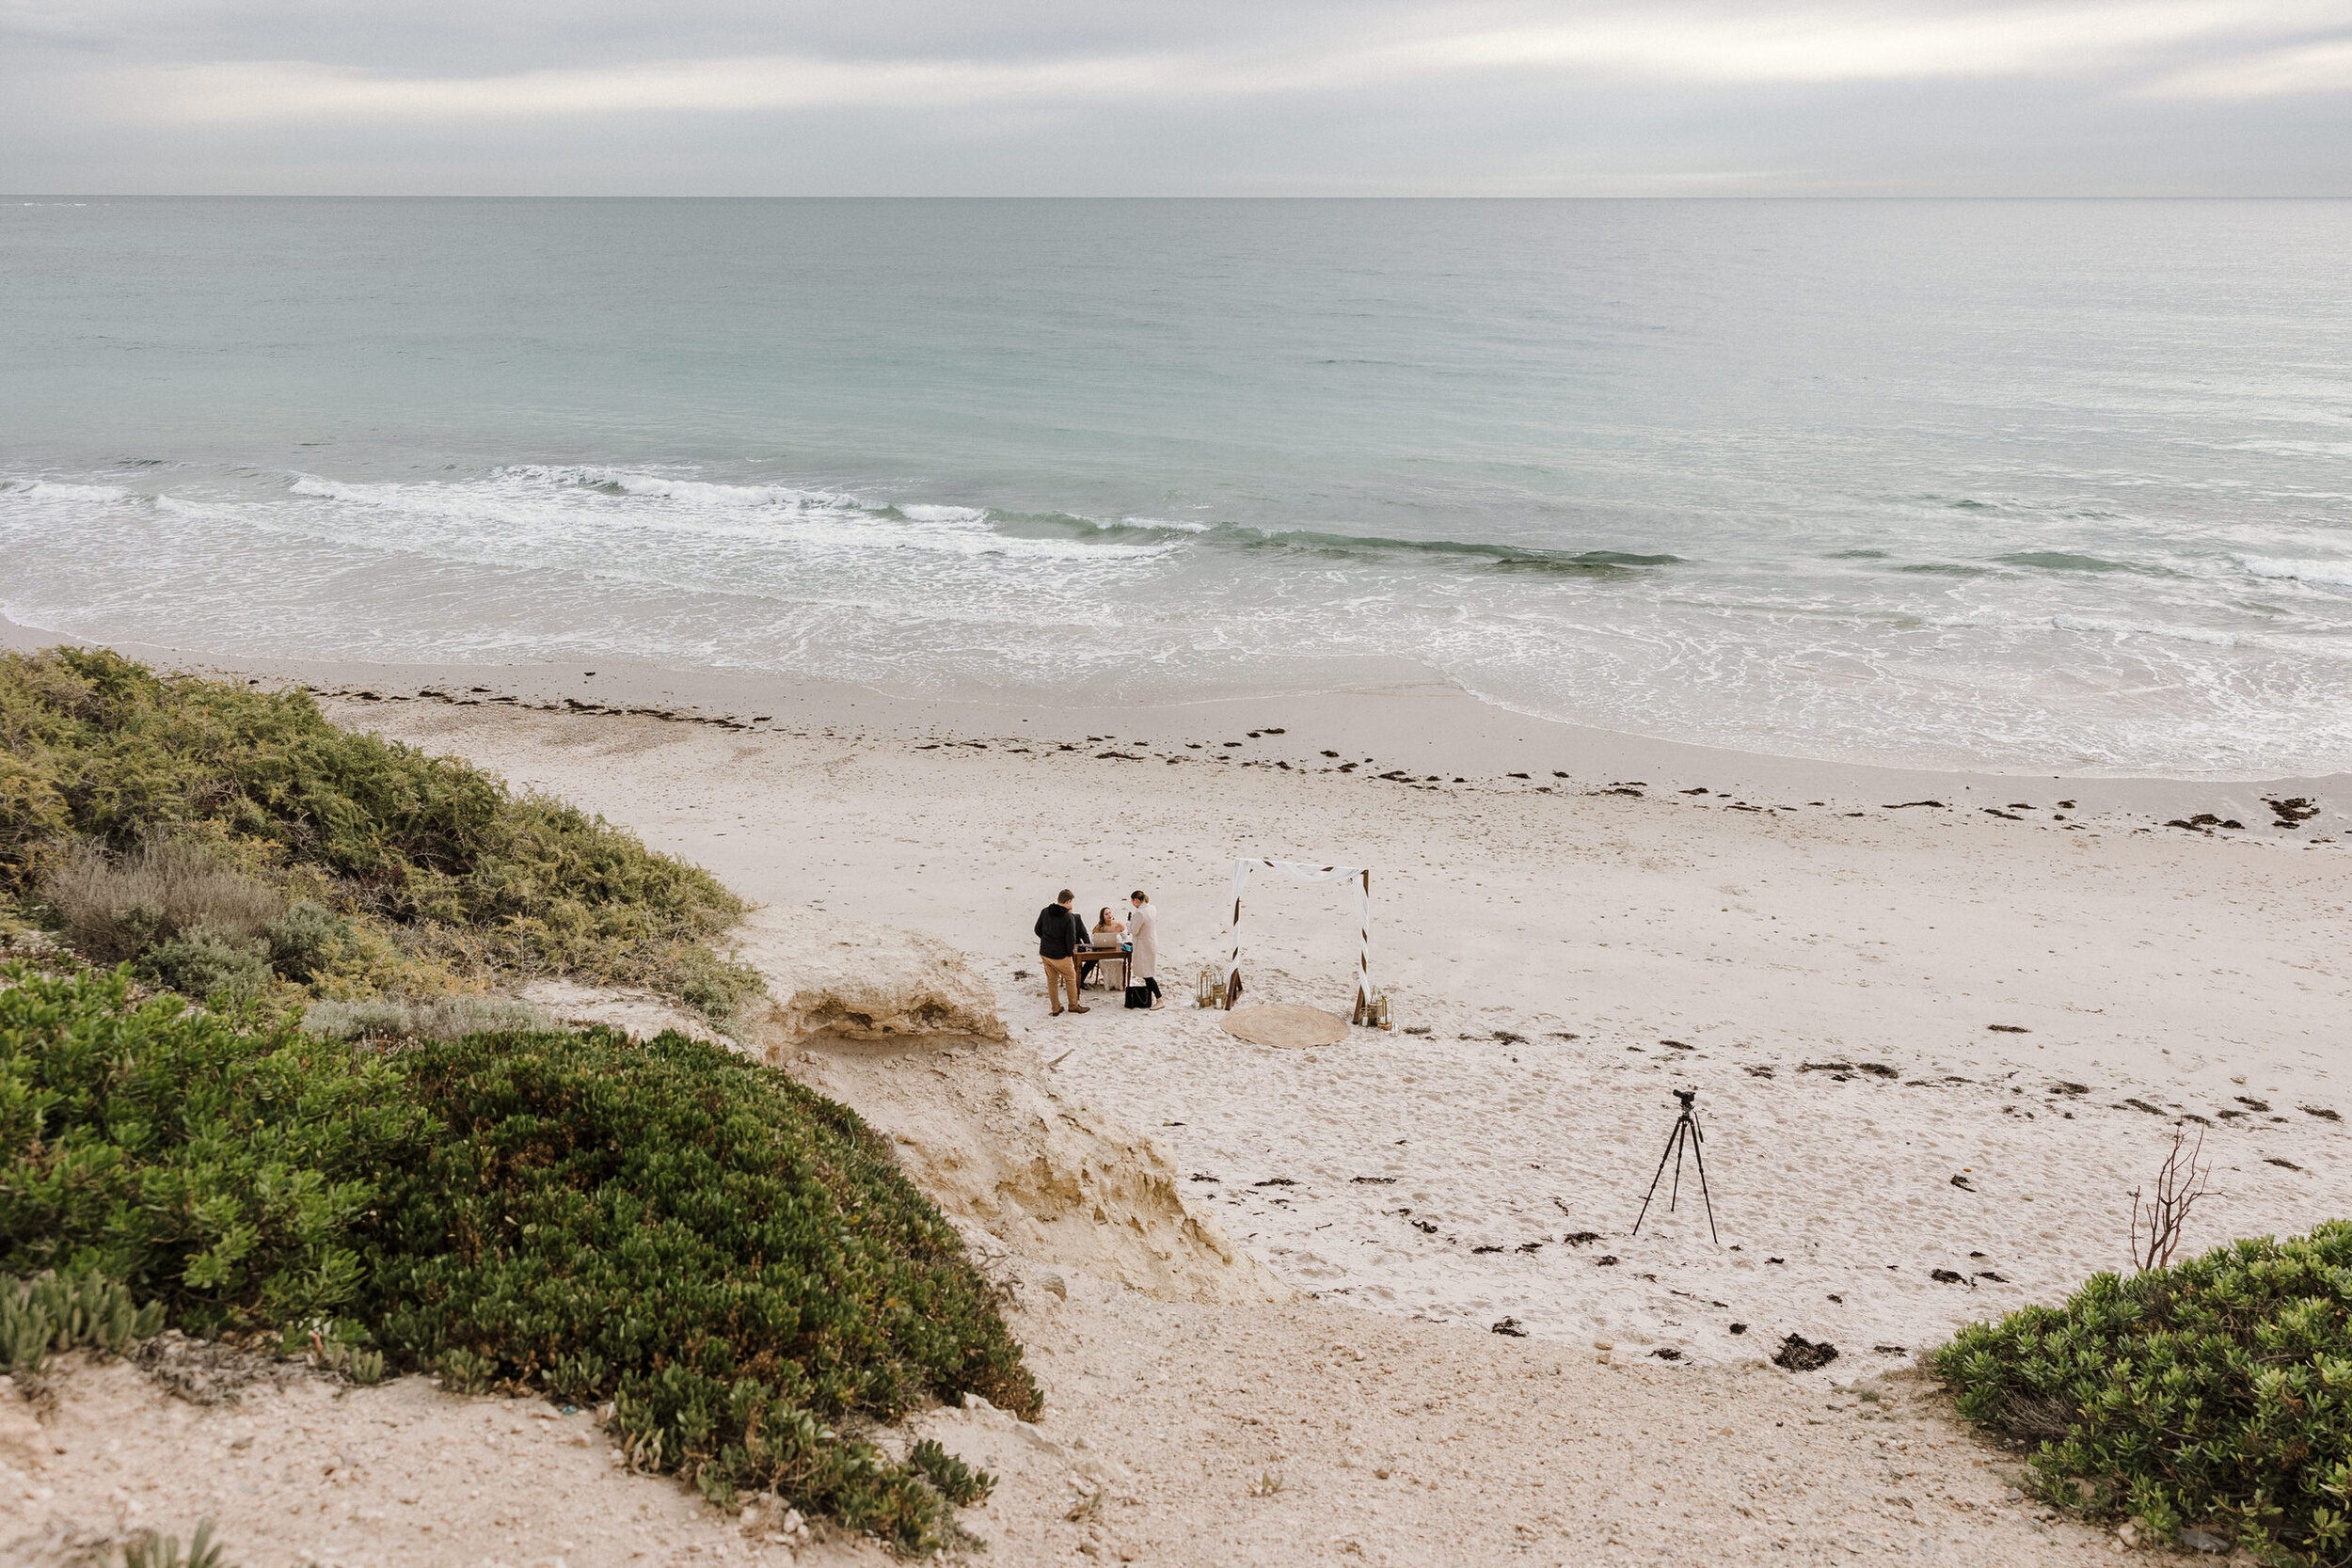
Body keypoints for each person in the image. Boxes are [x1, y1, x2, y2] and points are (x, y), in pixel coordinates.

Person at [1034, 889, 1089, 1016]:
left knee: (1052, 980)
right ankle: (1073, 1005)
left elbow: (1037, 930)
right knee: (1070, 978)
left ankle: (1055, 1008)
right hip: (1060, 955)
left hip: (1045, 952)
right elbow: (1070, 939)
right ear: (1068, 901)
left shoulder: (1045, 911)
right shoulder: (1068, 917)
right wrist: (1069, 953)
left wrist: (1047, 940)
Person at [1124, 889, 1163, 1009]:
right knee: (1148, 971)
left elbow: (1134, 930)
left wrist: (1128, 924)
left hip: (1143, 945)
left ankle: (1159, 999)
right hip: (1151, 941)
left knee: (1147, 974)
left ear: (1136, 900)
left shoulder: (1140, 913)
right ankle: (1149, 999)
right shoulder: (1152, 908)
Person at [1084, 906, 1126, 988]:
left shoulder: (1119, 925)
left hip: (1117, 952)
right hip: (1104, 952)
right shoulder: (1099, 926)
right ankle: (1108, 983)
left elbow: (1125, 938)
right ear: (1103, 917)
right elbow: (1093, 940)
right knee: (1100, 961)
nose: (1109, 915)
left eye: (1110, 913)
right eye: (1106, 914)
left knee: (1120, 961)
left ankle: (1119, 983)